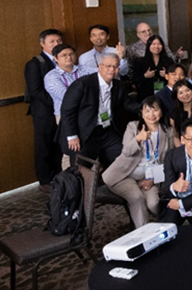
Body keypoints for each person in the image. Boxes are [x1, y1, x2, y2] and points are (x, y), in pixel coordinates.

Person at [101, 96, 175, 227]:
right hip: (123, 176)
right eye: (147, 111)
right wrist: (138, 139)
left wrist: (153, 180)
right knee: (137, 197)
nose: (151, 114)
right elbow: (126, 152)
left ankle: (166, 227)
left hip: (149, 177)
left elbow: (168, 160)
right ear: (141, 112)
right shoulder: (133, 127)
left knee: (154, 204)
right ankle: (143, 233)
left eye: (155, 110)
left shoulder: (168, 130)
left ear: (162, 112)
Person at [60, 54, 140, 166]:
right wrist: (72, 136)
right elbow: (67, 111)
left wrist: (146, 108)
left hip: (107, 130)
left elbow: (127, 104)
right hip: (85, 133)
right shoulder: (82, 84)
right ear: (100, 66)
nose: (112, 69)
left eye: (115, 66)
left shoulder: (118, 85)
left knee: (123, 159)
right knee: (81, 169)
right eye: (108, 66)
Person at [27, 29, 64, 188]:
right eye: (52, 41)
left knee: (59, 145)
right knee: (44, 145)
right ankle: (45, 181)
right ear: (42, 44)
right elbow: (35, 90)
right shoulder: (34, 64)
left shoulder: (63, 60)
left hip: (61, 111)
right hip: (44, 112)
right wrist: (56, 102)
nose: (56, 44)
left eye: (59, 41)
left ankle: (59, 177)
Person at [46, 44, 97, 120]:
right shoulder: (51, 76)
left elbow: (103, 74)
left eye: (71, 54)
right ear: (55, 58)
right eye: (64, 55)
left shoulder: (84, 69)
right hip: (67, 115)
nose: (69, 57)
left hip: (88, 112)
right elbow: (66, 96)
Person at [134, 35, 175, 100]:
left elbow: (175, 77)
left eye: (159, 44)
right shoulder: (140, 61)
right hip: (146, 95)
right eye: (153, 44)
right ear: (148, 46)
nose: (156, 46)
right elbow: (135, 80)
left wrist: (166, 76)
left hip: (165, 95)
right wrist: (145, 76)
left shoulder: (169, 61)